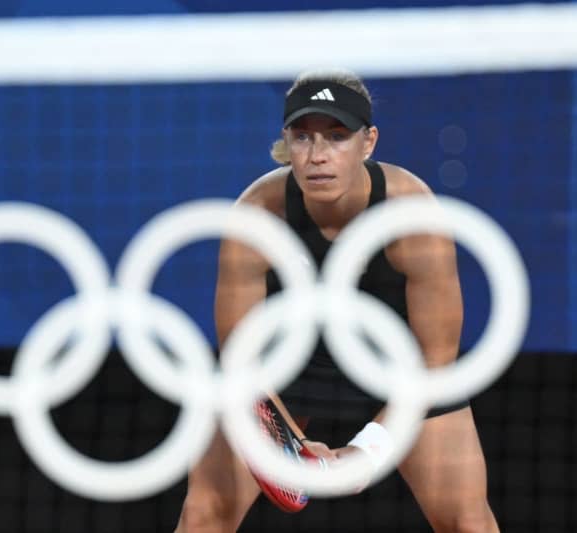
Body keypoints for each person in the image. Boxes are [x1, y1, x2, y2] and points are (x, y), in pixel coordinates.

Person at [174, 70, 499, 532]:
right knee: (205, 514)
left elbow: (436, 357)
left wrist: (368, 451)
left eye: (337, 137)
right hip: (284, 368)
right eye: (303, 137)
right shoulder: (255, 217)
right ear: (287, 141)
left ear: (368, 143)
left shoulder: (412, 215)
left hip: (398, 369)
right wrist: (295, 445)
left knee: (468, 522)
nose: (318, 155)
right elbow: (240, 359)